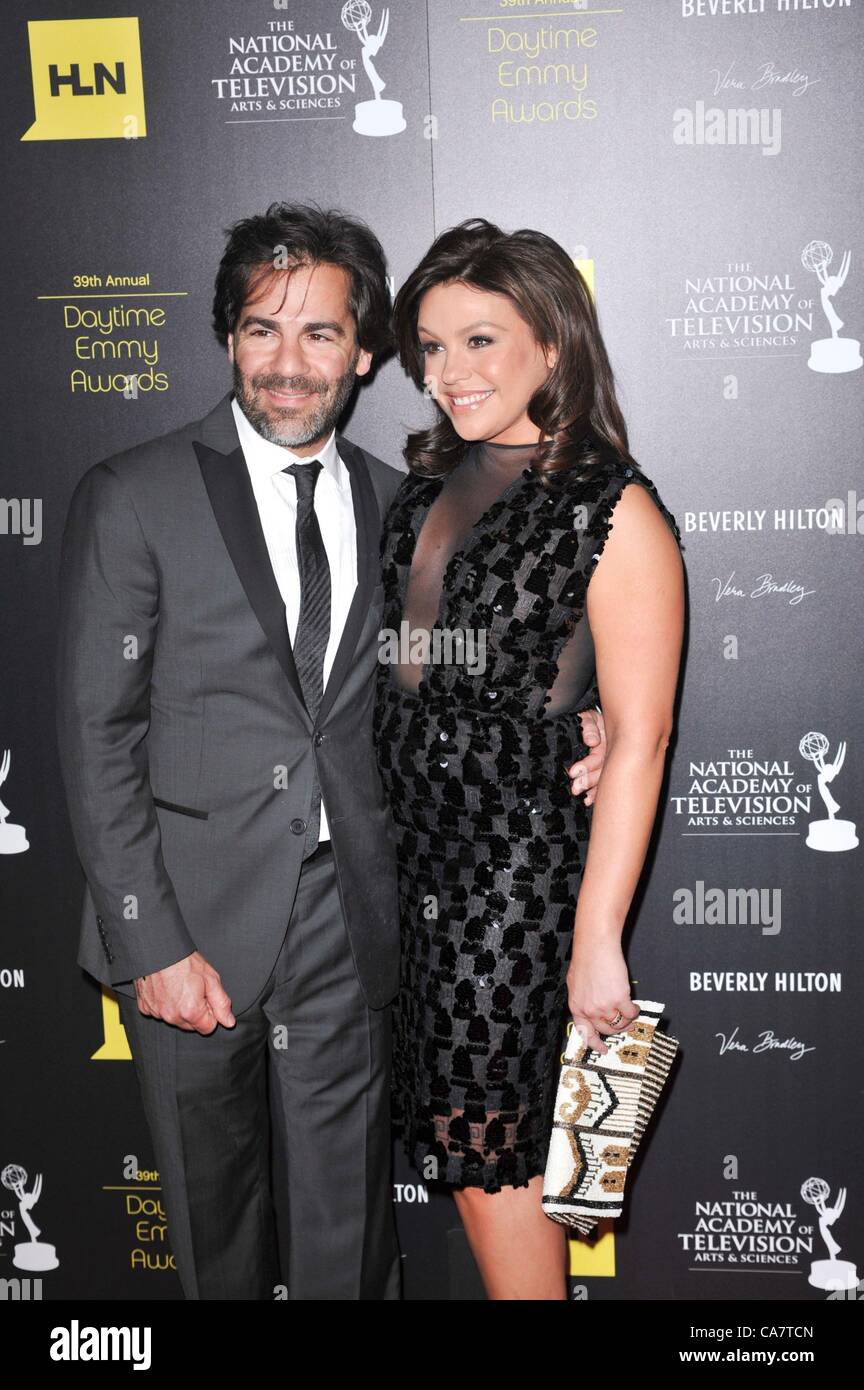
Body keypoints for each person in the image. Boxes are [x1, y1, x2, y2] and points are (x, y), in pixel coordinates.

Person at [54, 202, 608, 1300]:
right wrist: (147, 940)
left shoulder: (407, 509)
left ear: (364, 354)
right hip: (185, 919)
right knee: (215, 1245)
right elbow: (94, 729)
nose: (288, 363)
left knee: (347, 1246)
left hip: (351, 920)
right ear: (227, 339)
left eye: (320, 334)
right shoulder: (136, 495)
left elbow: (469, 666)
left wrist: (584, 713)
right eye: (263, 328)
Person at [373, 217, 686, 1301]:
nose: (447, 372)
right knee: (474, 1186)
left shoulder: (616, 511)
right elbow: (410, 676)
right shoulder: (421, 486)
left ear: (551, 343)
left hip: (514, 892)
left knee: (499, 1192)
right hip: (416, 882)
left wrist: (596, 939)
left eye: (481, 340)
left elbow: (641, 740)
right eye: (431, 344)